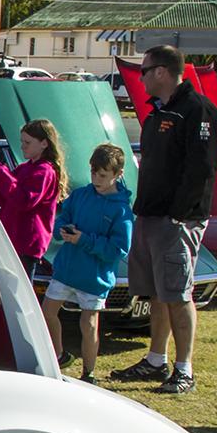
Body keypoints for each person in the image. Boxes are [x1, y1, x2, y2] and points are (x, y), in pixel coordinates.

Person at [110, 45, 217, 394]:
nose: (140, 77)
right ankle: (155, 359)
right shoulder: (157, 112)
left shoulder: (197, 110)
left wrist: (180, 214)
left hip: (178, 220)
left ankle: (184, 369)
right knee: (157, 292)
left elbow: (201, 169)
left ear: (161, 71)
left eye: (143, 71)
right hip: (150, 214)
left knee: (178, 293)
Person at [42, 144, 133, 383]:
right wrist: (63, 231)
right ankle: (59, 355)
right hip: (66, 269)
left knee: (89, 324)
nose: (96, 178)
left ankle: (89, 373)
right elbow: (63, 218)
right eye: (93, 172)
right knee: (48, 312)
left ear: (117, 174)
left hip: (94, 277)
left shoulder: (121, 210)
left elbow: (118, 249)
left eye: (102, 175)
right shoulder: (81, 194)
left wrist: (85, 240)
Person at [0, 118, 66, 274]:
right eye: (22, 142)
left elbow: (23, 200)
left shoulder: (45, 171)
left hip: (26, 244)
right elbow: (0, 198)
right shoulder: (24, 168)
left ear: (44, 144)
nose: (22, 146)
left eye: (27, 142)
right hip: (12, 240)